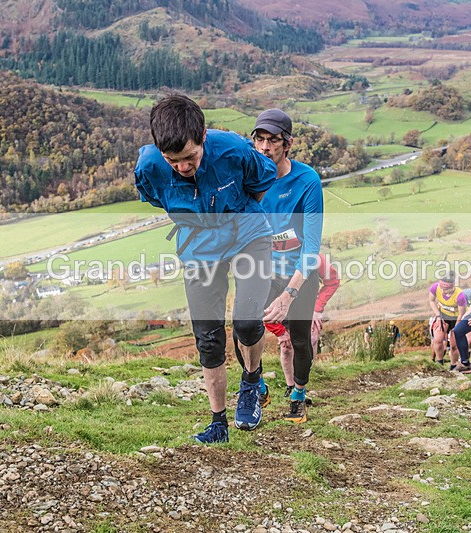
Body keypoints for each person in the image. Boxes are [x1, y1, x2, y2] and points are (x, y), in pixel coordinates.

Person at [134, 94, 276, 444]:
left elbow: (262, 179)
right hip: (198, 248)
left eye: (190, 158)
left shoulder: (232, 149)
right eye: (174, 161)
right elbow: (157, 197)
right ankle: (218, 424)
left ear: (203, 137)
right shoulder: (149, 166)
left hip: (249, 237)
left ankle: (252, 382)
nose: (183, 167)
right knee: (209, 339)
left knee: (246, 321)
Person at [233, 108, 323, 425]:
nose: (266, 147)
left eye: (274, 140)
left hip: (298, 273)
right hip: (261, 270)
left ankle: (298, 393)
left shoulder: (306, 181)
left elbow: (312, 248)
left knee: (299, 339)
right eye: (260, 139)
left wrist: (288, 295)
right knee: (241, 330)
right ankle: (256, 384)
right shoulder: (246, 177)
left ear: (288, 144)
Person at [264, 253, 340, 398]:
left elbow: (333, 281)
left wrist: (317, 309)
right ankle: (290, 385)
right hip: (279, 307)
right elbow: (262, 303)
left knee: (311, 339)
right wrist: (279, 332)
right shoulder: (271, 258)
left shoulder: (314, 256)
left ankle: (302, 384)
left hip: (306, 306)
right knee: (286, 347)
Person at [428, 272, 467, 368]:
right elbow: (431, 300)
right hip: (442, 315)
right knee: (437, 339)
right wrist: (437, 315)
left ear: (452, 287)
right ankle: (439, 363)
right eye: (441, 288)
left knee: (454, 345)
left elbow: (461, 314)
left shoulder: (460, 295)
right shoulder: (435, 288)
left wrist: (457, 328)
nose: (442, 291)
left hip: (456, 318)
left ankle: (453, 365)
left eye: (445, 289)